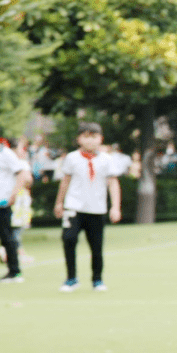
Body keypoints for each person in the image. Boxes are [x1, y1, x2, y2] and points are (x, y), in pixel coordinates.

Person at [53, 122, 122, 292]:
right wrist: (59, 202)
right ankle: (71, 278)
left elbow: (113, 184)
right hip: (74, 206)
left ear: (100, 139)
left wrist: (115, 207)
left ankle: (97, 279)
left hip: (96, 208)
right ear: (79, 139)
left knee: (96, 246)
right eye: (86, 136)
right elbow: (65, 181)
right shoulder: (71, 158)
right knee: (69, 239)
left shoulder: (107, 160)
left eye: (94, 137)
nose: (90, 141)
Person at [0, 124, 31, 283]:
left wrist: (13, 193)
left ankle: (14, 272)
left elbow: (21, 174)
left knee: (7, 238)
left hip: (1, 203)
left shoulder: (5, 154)